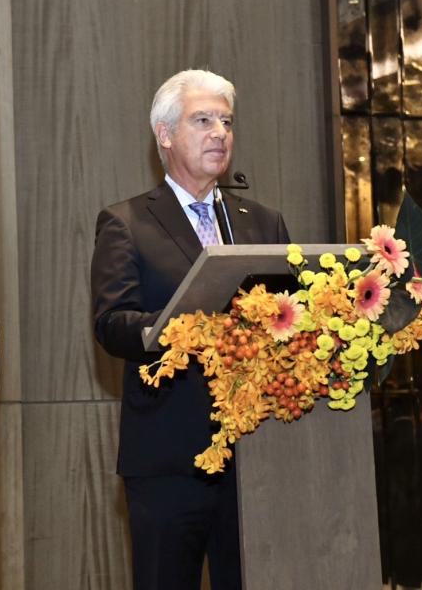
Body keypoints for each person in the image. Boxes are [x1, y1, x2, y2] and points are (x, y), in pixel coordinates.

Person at [91, 69, 290, 589]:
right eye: (203, 120)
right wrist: (194, 326)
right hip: (168, 456)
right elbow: (112, 323)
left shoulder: (263, 222)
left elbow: (291, 319)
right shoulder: (126, 222)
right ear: (165, 134)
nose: (220, 133)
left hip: (258, 456)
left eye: (227, 122)